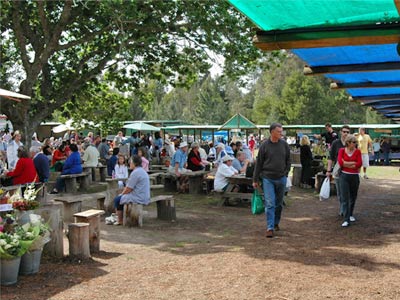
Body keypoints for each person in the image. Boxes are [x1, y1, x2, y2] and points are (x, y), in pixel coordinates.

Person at [253, 123, 291, 238]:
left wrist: (286, 173)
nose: (281, 133)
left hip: (281, 178)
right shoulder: (264, 146)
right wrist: (255, 179)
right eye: (279, 131)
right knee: (270, 203)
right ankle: (269, 227)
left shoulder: (284, 145)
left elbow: (288, 160)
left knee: (279, 203)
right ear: (272, 132)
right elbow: (258, 163)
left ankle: (275, 223)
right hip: (267, 178)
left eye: (281, 131)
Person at [111, 155, 150, 225]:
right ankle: (122, 216)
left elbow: (129, 188)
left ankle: (120, 220)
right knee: (121, 198)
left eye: (131, 162)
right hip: (144, 195)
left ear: (134, 163)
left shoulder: (135, 173)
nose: (130, 163)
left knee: (117, 199)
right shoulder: (142, 171)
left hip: (138, 197)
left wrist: (122, 194)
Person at [337, 135, 362, 227]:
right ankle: (346, 219)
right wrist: (352, 163)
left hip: (354, 176)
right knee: (344, 198)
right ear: (348, 143)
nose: (355, 144)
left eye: (356, 142)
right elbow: (340, 162)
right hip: (344, 176)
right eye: (353, 142)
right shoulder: (342, 151)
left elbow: (359, 163)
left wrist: (346, 163)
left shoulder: (358, 152)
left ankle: (350, 213)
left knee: (353, 196)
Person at [326, 125, 351, 216]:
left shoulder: (352, 143)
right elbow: (331, 158)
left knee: (348, 192)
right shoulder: (335, 143)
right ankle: (342, 208)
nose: (346, 133)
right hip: (338, 171)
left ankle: (347, 210)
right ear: (341, 132)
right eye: (344, 131)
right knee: (340, 192)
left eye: (347, 132)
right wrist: (329, 171)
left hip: (349, 171)